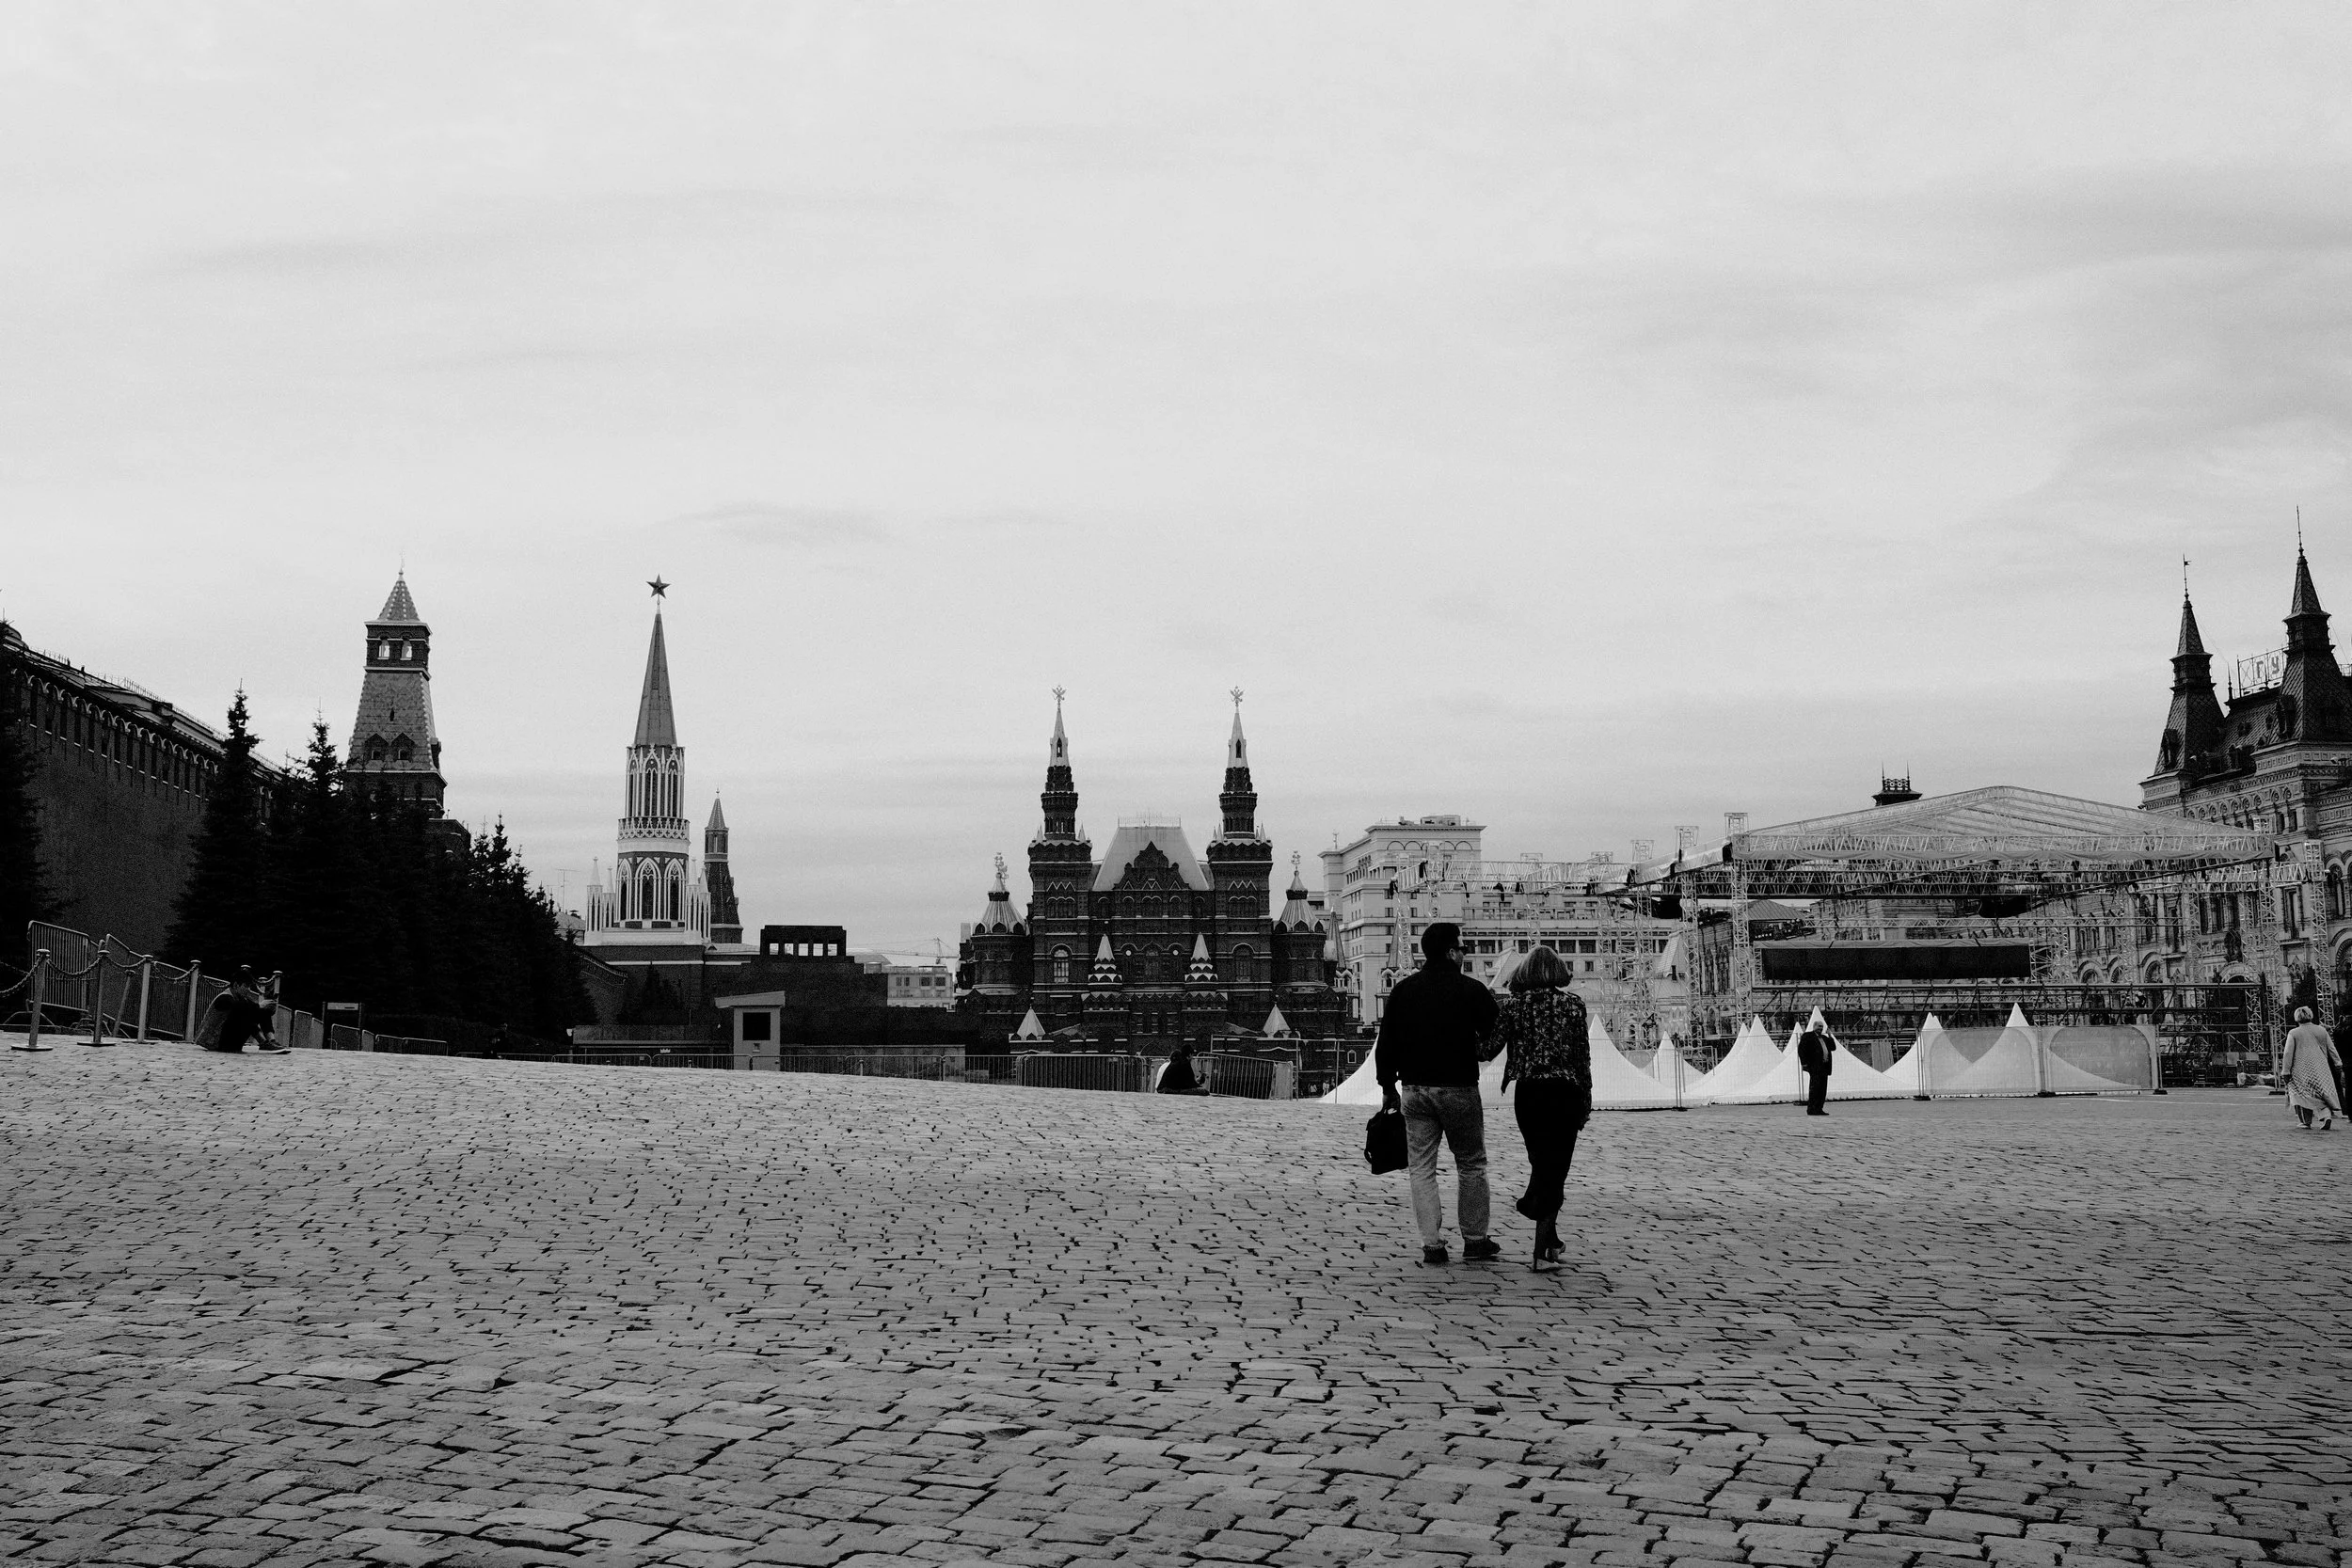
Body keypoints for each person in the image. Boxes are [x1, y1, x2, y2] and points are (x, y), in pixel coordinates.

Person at [1375, 923, 1501, 1266]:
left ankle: (1432, 1244)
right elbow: (1497, 1029)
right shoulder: (1471, 990)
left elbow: (1385, 1043)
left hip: (1415, 1089)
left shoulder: (1404, 991)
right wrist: (1479, 1050)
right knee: (1471, 1164)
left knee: (1421, 1168)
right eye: (1461, 948)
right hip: (1459, 1087)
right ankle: (1475, 1240)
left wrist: (1388, 1086)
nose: (1463, 954)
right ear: (1450, 952)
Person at [1490, 945, 1589, 1273]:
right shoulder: (1574, 1005)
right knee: (1555, 1167)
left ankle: (1549, 1237)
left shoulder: (1514, 1006)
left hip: (1529, 1094)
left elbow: (1487, 1048)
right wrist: (1586, 1099)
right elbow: (1581, 1058)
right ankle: (1540, 1245)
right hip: (1565, 1092)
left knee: (1541, 1163)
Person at [2280, 1006, 2343, 1131]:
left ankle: (2305, 1121)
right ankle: (2326, 1115)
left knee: (2300, 1094)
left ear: (2297, 1017)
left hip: (2300, 1068)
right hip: (2321, 1066)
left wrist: (2285, 1071)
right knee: (2320, 1093)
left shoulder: (2294, 1033)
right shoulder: (2321, 1031)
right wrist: (2338, 1063)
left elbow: (2288, 1053)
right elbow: (2331, 1049)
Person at [1796, 1019, 1834, 1115]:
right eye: (1819, 1026)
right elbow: (1801, 1049)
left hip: (1824, 1067)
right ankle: (1812, 1109)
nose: (1820, 1028)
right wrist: (1804, 1063)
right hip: (1814, 1067)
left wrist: (1830, 1035)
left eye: (1822, 1027)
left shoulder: (1824, 1038)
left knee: (1822, 1089)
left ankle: (1819, 1108)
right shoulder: (1808, 1036)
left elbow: (1833, 1047)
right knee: (1815, 1088)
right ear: (1814, 1027)